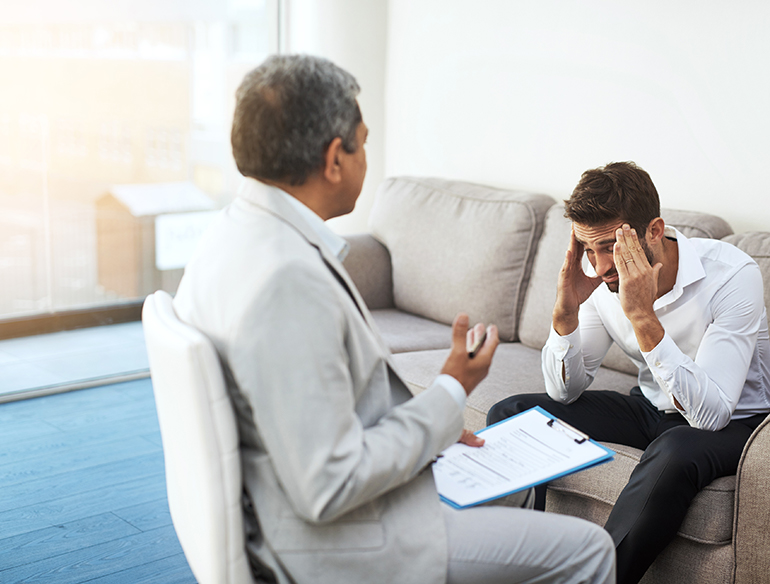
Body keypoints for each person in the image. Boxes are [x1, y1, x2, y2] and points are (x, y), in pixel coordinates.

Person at [173, 54, 615, 584]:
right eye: (364, 140)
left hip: (287, 506)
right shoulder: (286, 281)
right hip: (343, 542)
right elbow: (328, 484)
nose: (367, 158)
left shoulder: (228, 237)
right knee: (589, 550)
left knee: (517, 489)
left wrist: (434, 423)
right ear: (335, 158)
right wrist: (451, 392)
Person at [488, 161, 770, 584]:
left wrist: (643, 315)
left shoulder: (732, 275)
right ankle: (523, 564)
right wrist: (565, 314)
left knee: (675, 449)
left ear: (654, 231)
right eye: (589, 250)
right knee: (512, 414)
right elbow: (564, 393)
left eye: (610, 246)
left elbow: (712, 414)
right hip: (653, 409)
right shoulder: (600, 281)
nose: (601, 266)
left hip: (737, 421)